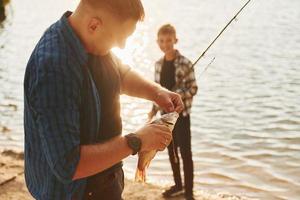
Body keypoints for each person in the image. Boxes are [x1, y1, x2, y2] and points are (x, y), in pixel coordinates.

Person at [23, 1, 184, 199]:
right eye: (120, 38)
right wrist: (137, 141)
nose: (123, 45)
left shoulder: (91, 38)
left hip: (107, 184)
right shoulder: (53, 67)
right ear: (94, 25)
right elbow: (68, 164)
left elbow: (120, 73)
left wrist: (157, 92)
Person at [148, 24, 198, 200]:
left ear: (175, 40)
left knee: (186, 153)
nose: (165, 44)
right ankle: (178, 185)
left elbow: (193, 88)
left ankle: (189, 192)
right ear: (157, 42)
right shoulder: (158, 65)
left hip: (182, 117)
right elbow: (156, 92)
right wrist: (152, 110)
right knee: (171, 152)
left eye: (169, 40)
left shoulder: (185, 63)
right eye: (161, 41)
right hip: (165, 117)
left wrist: (177, 96)